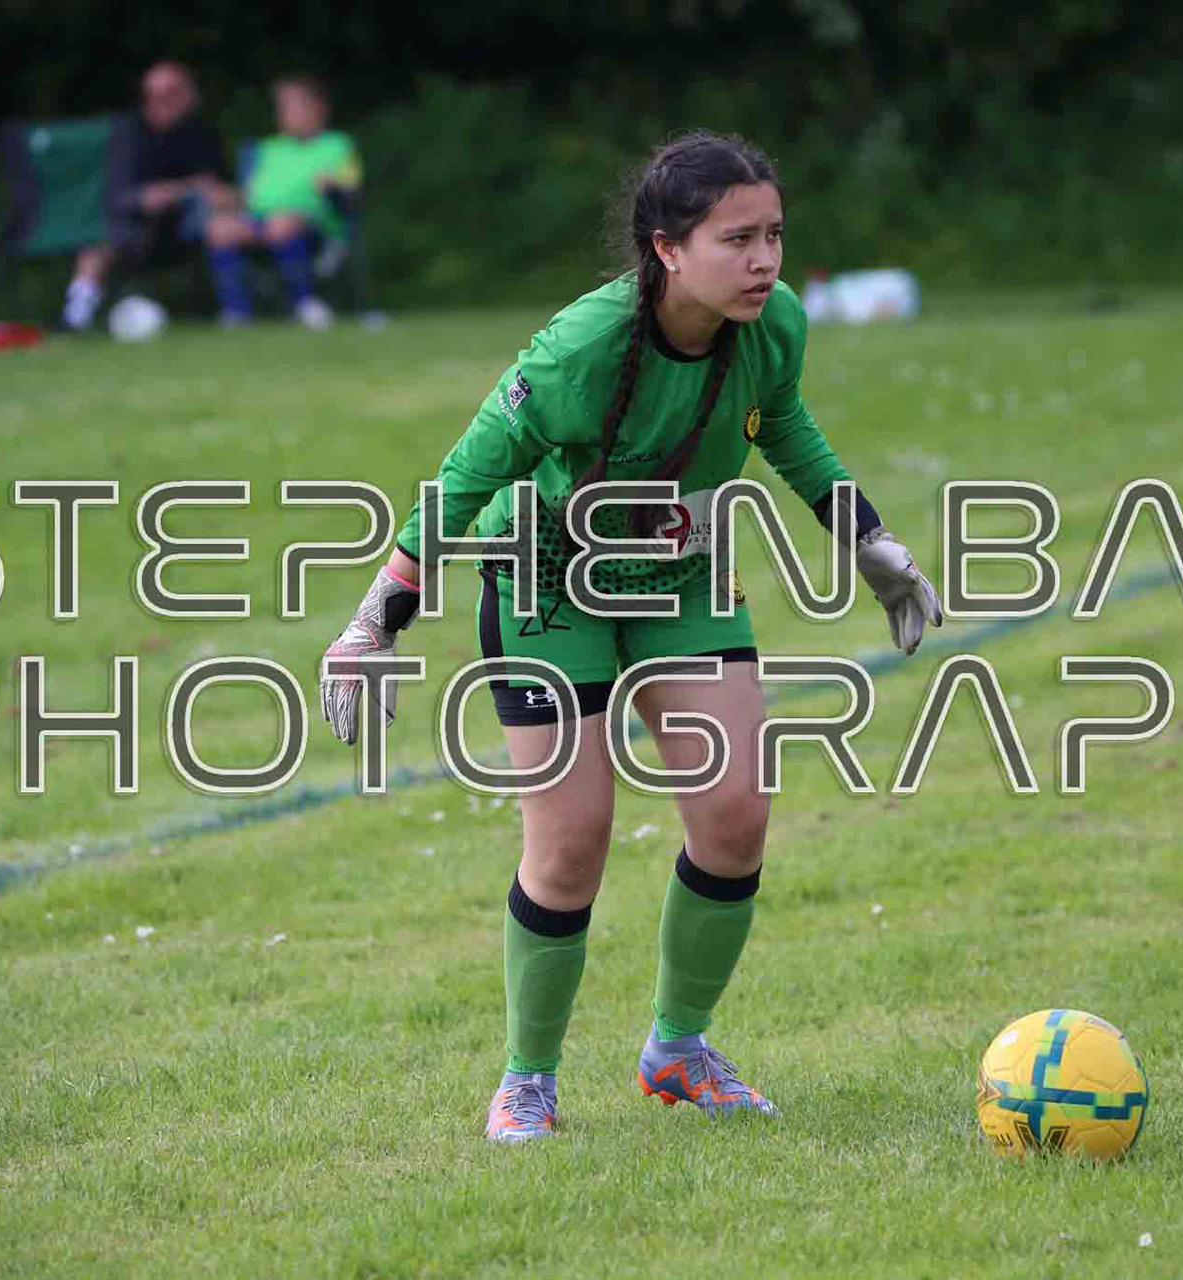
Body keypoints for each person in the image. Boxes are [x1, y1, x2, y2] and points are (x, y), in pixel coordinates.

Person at [317, 132, 944, 1143]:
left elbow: (781, 421)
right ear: (666, 248)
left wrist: (866, 538)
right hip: (546, 581)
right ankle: (527, 1080)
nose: (765, 261)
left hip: (683, 577)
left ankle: (678, 1049)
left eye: (774, 235)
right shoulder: (580, 348)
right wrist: (374, 618)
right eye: (736, 239)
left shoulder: (774, 324)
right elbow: (467, 476)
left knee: (735, 815)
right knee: (572, 838)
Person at [62, 61, 234, 331]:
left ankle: (235, 310)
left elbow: (216, 187)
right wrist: (145, 198)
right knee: (98, 239)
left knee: (220, 221)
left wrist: (175, 192)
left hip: (186, 224)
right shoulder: (128, 134)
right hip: (130, 225)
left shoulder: (200, 133)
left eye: (174, 92)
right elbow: (115, 192)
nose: (165, 101)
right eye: (157, 94)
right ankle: (76, 314)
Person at [202, 74, 362, 330]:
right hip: (258, 222)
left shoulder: (337, 145)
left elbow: (352, 185)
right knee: (218, 228)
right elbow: (247, 196)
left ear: (318, 108)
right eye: (282, 107)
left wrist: (334, 183)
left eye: (292, 106)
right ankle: (236, 312)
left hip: (316, 228)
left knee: (282, 223)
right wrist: (226, 197)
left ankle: (304, 303)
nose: (284, 113)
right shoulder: (267, 149)